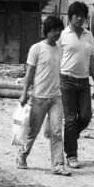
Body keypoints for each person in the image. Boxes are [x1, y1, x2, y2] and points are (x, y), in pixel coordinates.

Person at [17, 16, 71, 176]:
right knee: (32, 131)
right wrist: (24, 93)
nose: (57, 34)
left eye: (59, 31)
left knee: (56, 131)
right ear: (46, 31)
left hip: (56, 97)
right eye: (54, 30)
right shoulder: (36, 49)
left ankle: (58, 165)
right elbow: (30, 73)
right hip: (39, 97)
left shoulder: (60, 49)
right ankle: (22, 155)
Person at [59, 1, 94, 169]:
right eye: (76, 16)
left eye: (82, 17)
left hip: (84, 81)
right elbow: (56, 58)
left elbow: (91, 59)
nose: (79, 19)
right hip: (66, 80)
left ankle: (69, 139)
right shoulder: (63, 35)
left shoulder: (88, 36)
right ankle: (72, 155)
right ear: (70, 17)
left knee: (85, 116)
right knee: (70, 119)